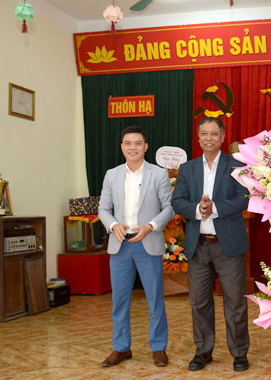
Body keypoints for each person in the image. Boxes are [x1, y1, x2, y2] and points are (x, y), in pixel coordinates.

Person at [172, 117, 250, 372]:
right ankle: (203, 351)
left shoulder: (236, 166)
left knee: (235, 302)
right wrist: (198, 208)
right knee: (199, 302)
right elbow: (177, 201)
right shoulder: (187, 169)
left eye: (214, 134)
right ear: (198, 138)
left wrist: (214, 207)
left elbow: (244, 198)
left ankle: (239, 353)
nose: (209, 138)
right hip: (198, 246)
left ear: (223, 137)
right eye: (204, 134)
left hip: (228, 246)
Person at [98, 126, 174, 368]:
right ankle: (121, 348)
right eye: (128, 143)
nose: (133, 147)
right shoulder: (112, 174)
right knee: (119, 300)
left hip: (147, 243)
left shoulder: (159, 174)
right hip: (120, 245)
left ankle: (159, 347)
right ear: (121, 147)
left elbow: (169, 208)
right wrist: (112, 225)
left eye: (137, 143)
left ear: (145, 147)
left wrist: (150, 226)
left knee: (154, 299)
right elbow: (103, 209)